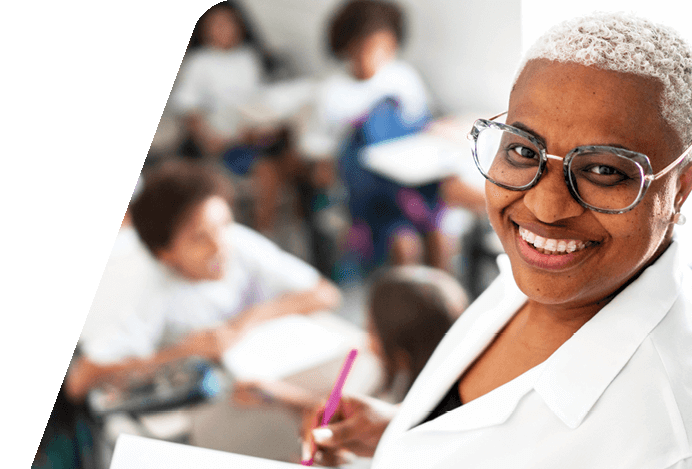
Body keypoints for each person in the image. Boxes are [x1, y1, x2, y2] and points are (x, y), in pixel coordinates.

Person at [304, 12, 692, 469]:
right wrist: (409, 430)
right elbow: (515, 435)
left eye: (605, 171)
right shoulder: (539, 279)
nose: (546, 205)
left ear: (681, 188)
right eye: (524, 149)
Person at [65, 159, 341, 403]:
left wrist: (242, 323)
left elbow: (326, 293)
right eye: (199, 238)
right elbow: (80, 382)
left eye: (223, 225)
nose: (219, 246)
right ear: (165, 253)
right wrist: (184, 352)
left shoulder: (236, 242)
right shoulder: (142, 286)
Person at [232, 264, 469, 464]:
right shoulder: (446, 375)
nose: (365, 340)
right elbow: (345, 418)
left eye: (372, 331)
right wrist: (280, 395)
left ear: (401, 357)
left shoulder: (422, 426)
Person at [298, 0, 454, 275]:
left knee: (442, 238)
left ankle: (441, 303)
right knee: (406, 246)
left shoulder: (403, 79)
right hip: (370, 197)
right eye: (366, 48)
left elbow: (423, 127)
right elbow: (317, 157)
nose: (375, 57)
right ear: (347, 46)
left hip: (413, 187)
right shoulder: (332, 92)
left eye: (385, 48)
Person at [170, 1, 293, 232]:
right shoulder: (200, 62)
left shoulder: (250, 57)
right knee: (266, 171)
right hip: (225, 139)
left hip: (254, 132)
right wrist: (208, 137)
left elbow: (262, 99)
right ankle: (261, 232)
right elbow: (188, 109)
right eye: (216, 25)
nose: (224, 30)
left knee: (291, 160)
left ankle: (287, 226)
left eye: (229, 23)